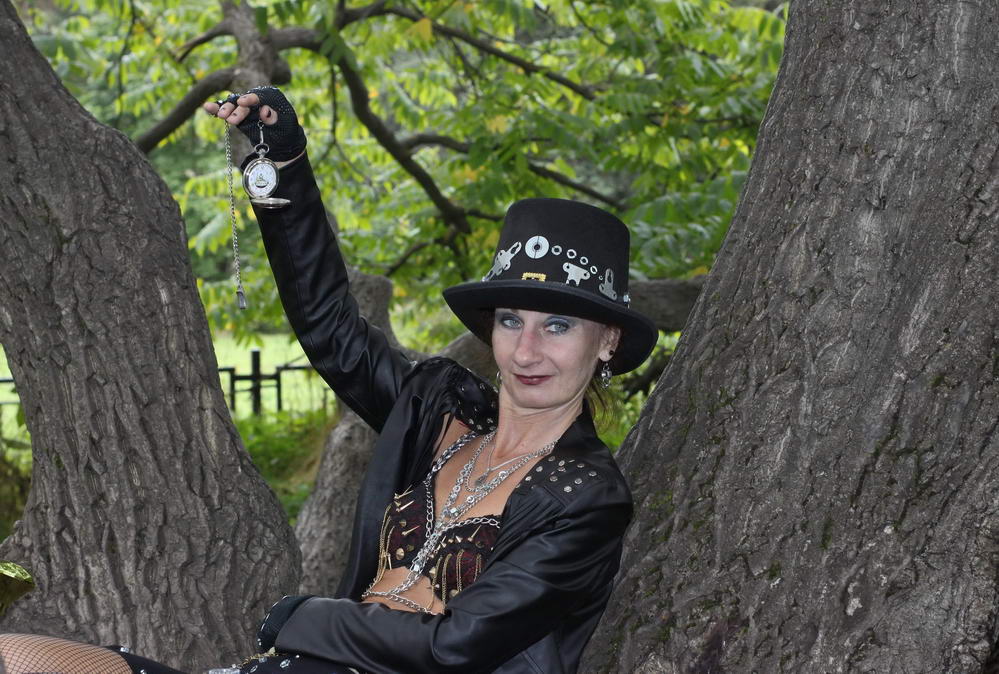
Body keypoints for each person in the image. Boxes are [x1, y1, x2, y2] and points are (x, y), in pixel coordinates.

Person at [0, 87, 656, 674]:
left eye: (558, 326)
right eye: (511, 320)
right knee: (15, 656)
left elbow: (452, 647)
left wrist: (299, 616)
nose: (527, 349)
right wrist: (284, 164)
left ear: (608, 340)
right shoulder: (438, 411)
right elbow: (330, 329)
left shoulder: (585, 498)